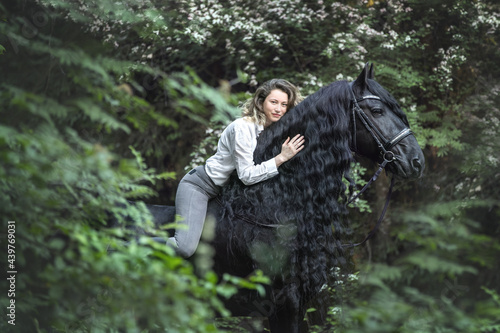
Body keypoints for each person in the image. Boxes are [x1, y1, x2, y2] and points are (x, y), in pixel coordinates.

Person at [170, 79, 305, 258]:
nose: (278, 109)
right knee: (184, 248)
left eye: (284, 104)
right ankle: (134, 244)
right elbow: (247, 176)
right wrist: (281, 158)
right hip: (200, 186)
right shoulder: (243, 128)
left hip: (225, 193)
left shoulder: (273, 130)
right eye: (273, 102)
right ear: (261, 102)